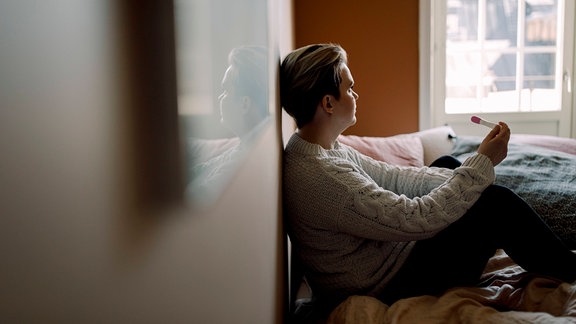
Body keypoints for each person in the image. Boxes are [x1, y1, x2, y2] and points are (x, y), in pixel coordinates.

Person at [280, 43, 576, 314]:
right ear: (328, 104)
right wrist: (481, 163)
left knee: (447, 166)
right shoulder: (325, 179)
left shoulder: (318, 148)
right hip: (387, 285)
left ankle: (541, 246)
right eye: (350, 88)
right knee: (495, 204)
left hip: (389, 261)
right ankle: (570, 267)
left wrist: (465, 174)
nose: (356, 95)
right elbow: (416, 217)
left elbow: (394, 176)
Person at [186, 45, 270, 205]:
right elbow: (202, 169)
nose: (220, 97)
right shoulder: (247, 144)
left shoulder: (244, 162)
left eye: (225, 90)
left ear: (244, 104)